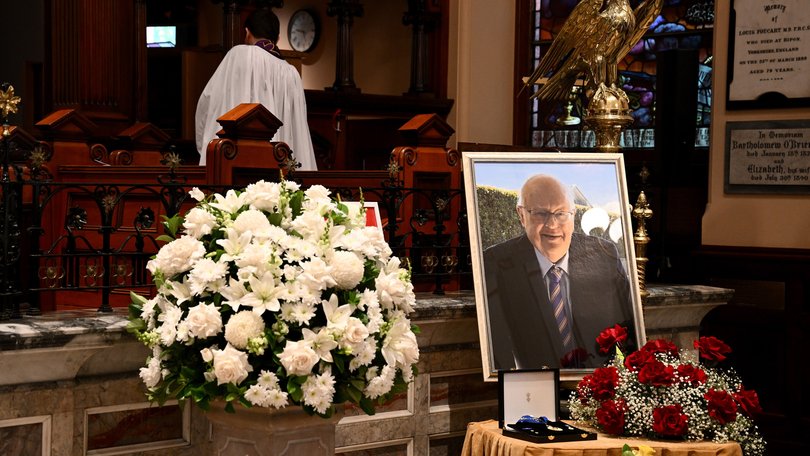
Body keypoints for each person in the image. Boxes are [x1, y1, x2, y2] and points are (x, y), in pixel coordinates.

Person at [483, 174, 635, 370]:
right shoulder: (496, 263)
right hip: (535, 386)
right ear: (521, 215)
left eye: (561, 213)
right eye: (541, 213)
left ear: (573, 214)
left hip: (598, 383)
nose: (552, 225)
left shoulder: (603, 255)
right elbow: (499, 350)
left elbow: (627, 328)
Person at [195, 9, 317, 170]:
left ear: (247, 32)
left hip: (234, 160)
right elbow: (298, 127)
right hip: (279, 163)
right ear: (278, 38)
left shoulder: (238, 55)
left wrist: (203, 147)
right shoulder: (291, 73)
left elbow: (208, 101)